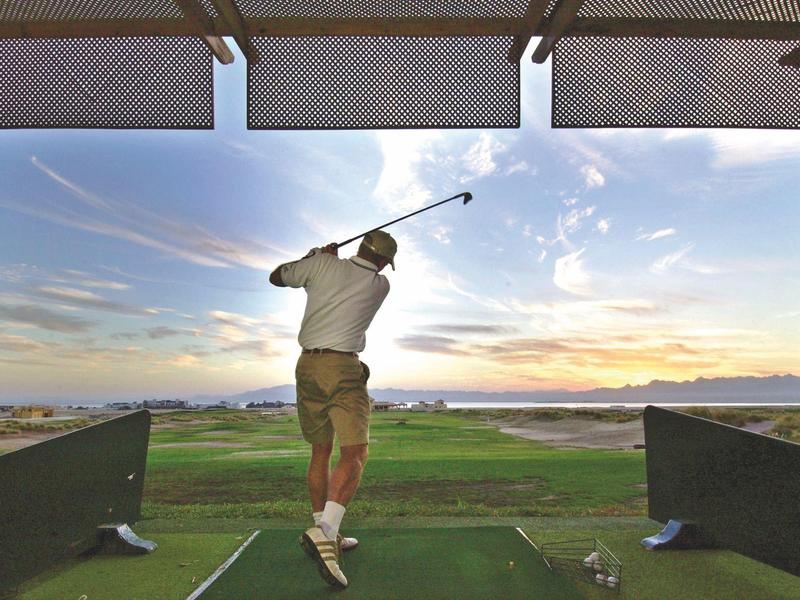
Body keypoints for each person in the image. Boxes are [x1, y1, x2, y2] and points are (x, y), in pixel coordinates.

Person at [268, 229, 397, 589]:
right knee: (355, 452)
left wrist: (313, 256)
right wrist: (321, 262)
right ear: (384, 261)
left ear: (358, 247)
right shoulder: (380, 285)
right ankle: (326, 533)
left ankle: (328, 534)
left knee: (321, 450)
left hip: (306, 365)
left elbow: (277, 276)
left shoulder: (322, 264)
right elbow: (357, 278)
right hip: (342, 367)